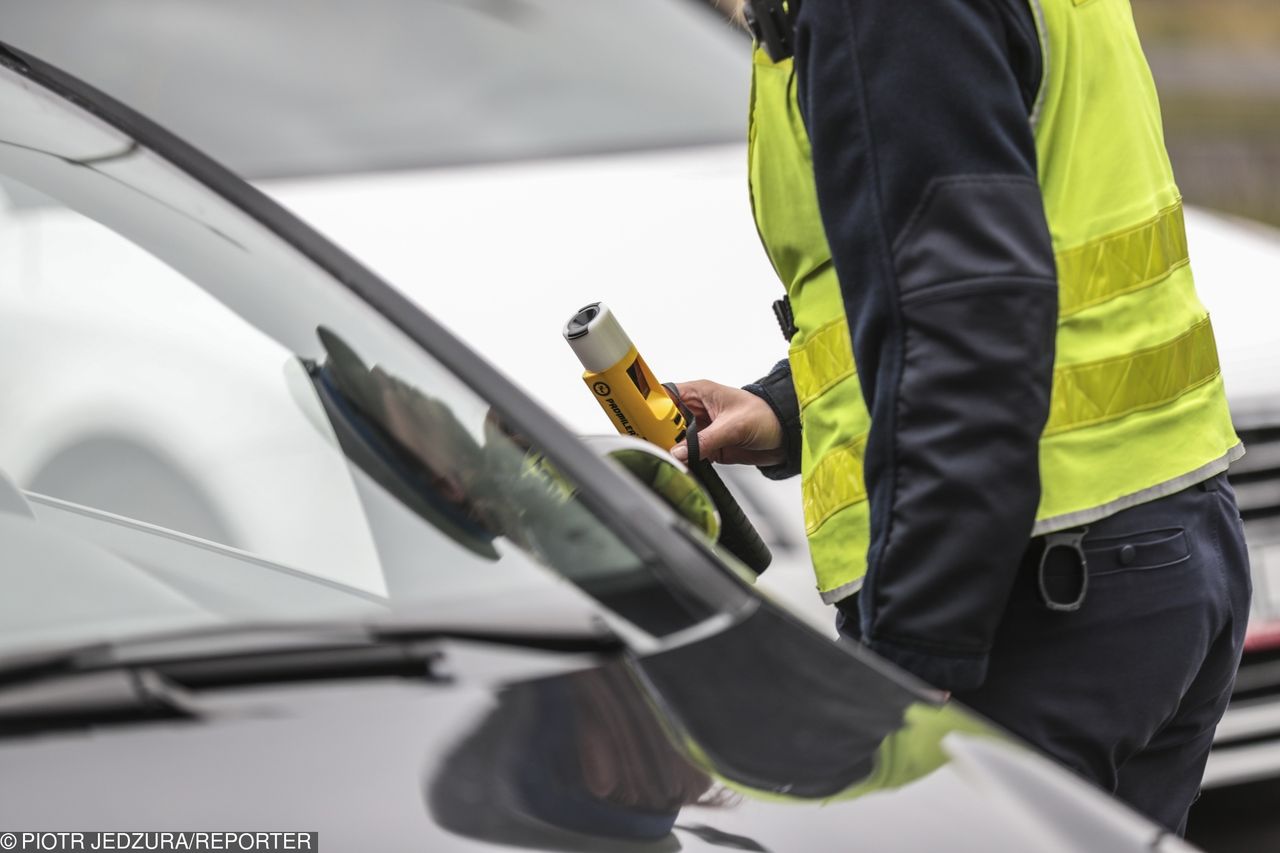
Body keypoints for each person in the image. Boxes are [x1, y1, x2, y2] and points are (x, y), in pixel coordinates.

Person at [672, 0, 1252, 834]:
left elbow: (968, 327)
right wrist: (784, 407)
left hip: (1032, 604)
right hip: (1154, 555)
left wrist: (905, 660)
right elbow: (1003, 259)